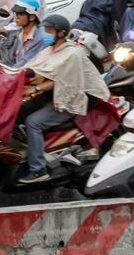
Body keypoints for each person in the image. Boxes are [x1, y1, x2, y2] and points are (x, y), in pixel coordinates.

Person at [18, 13, 116, 184]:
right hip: (53, 94)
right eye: (46, 29)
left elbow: (62, 81)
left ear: (61, 33)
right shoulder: (49, 50)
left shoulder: (72, 55)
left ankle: (38, 169)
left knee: (33, 122)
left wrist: (35, 88)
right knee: (18, 111)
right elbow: (35, 68)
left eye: (50, 30)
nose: (46, 33)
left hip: (72, 98)